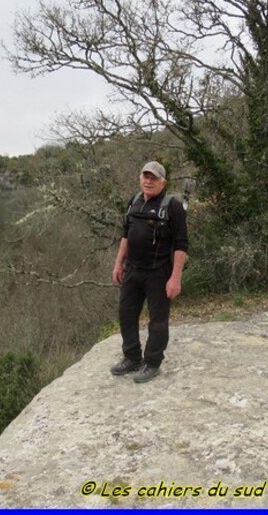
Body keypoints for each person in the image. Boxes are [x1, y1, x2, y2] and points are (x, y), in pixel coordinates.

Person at [110, 161, 188, 383]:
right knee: (126, 314)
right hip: (132, 271)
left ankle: (152, 363)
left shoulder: (173, 207)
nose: (148, 181)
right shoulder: (134, 202)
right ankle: (132, 357)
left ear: (163, 182)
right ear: (139, 179)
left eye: (154, 178)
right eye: (145, 177)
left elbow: (182, 245)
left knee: (158, 321)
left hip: (158, 273)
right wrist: (118, 264)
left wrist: (176, 278)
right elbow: (126, 235)